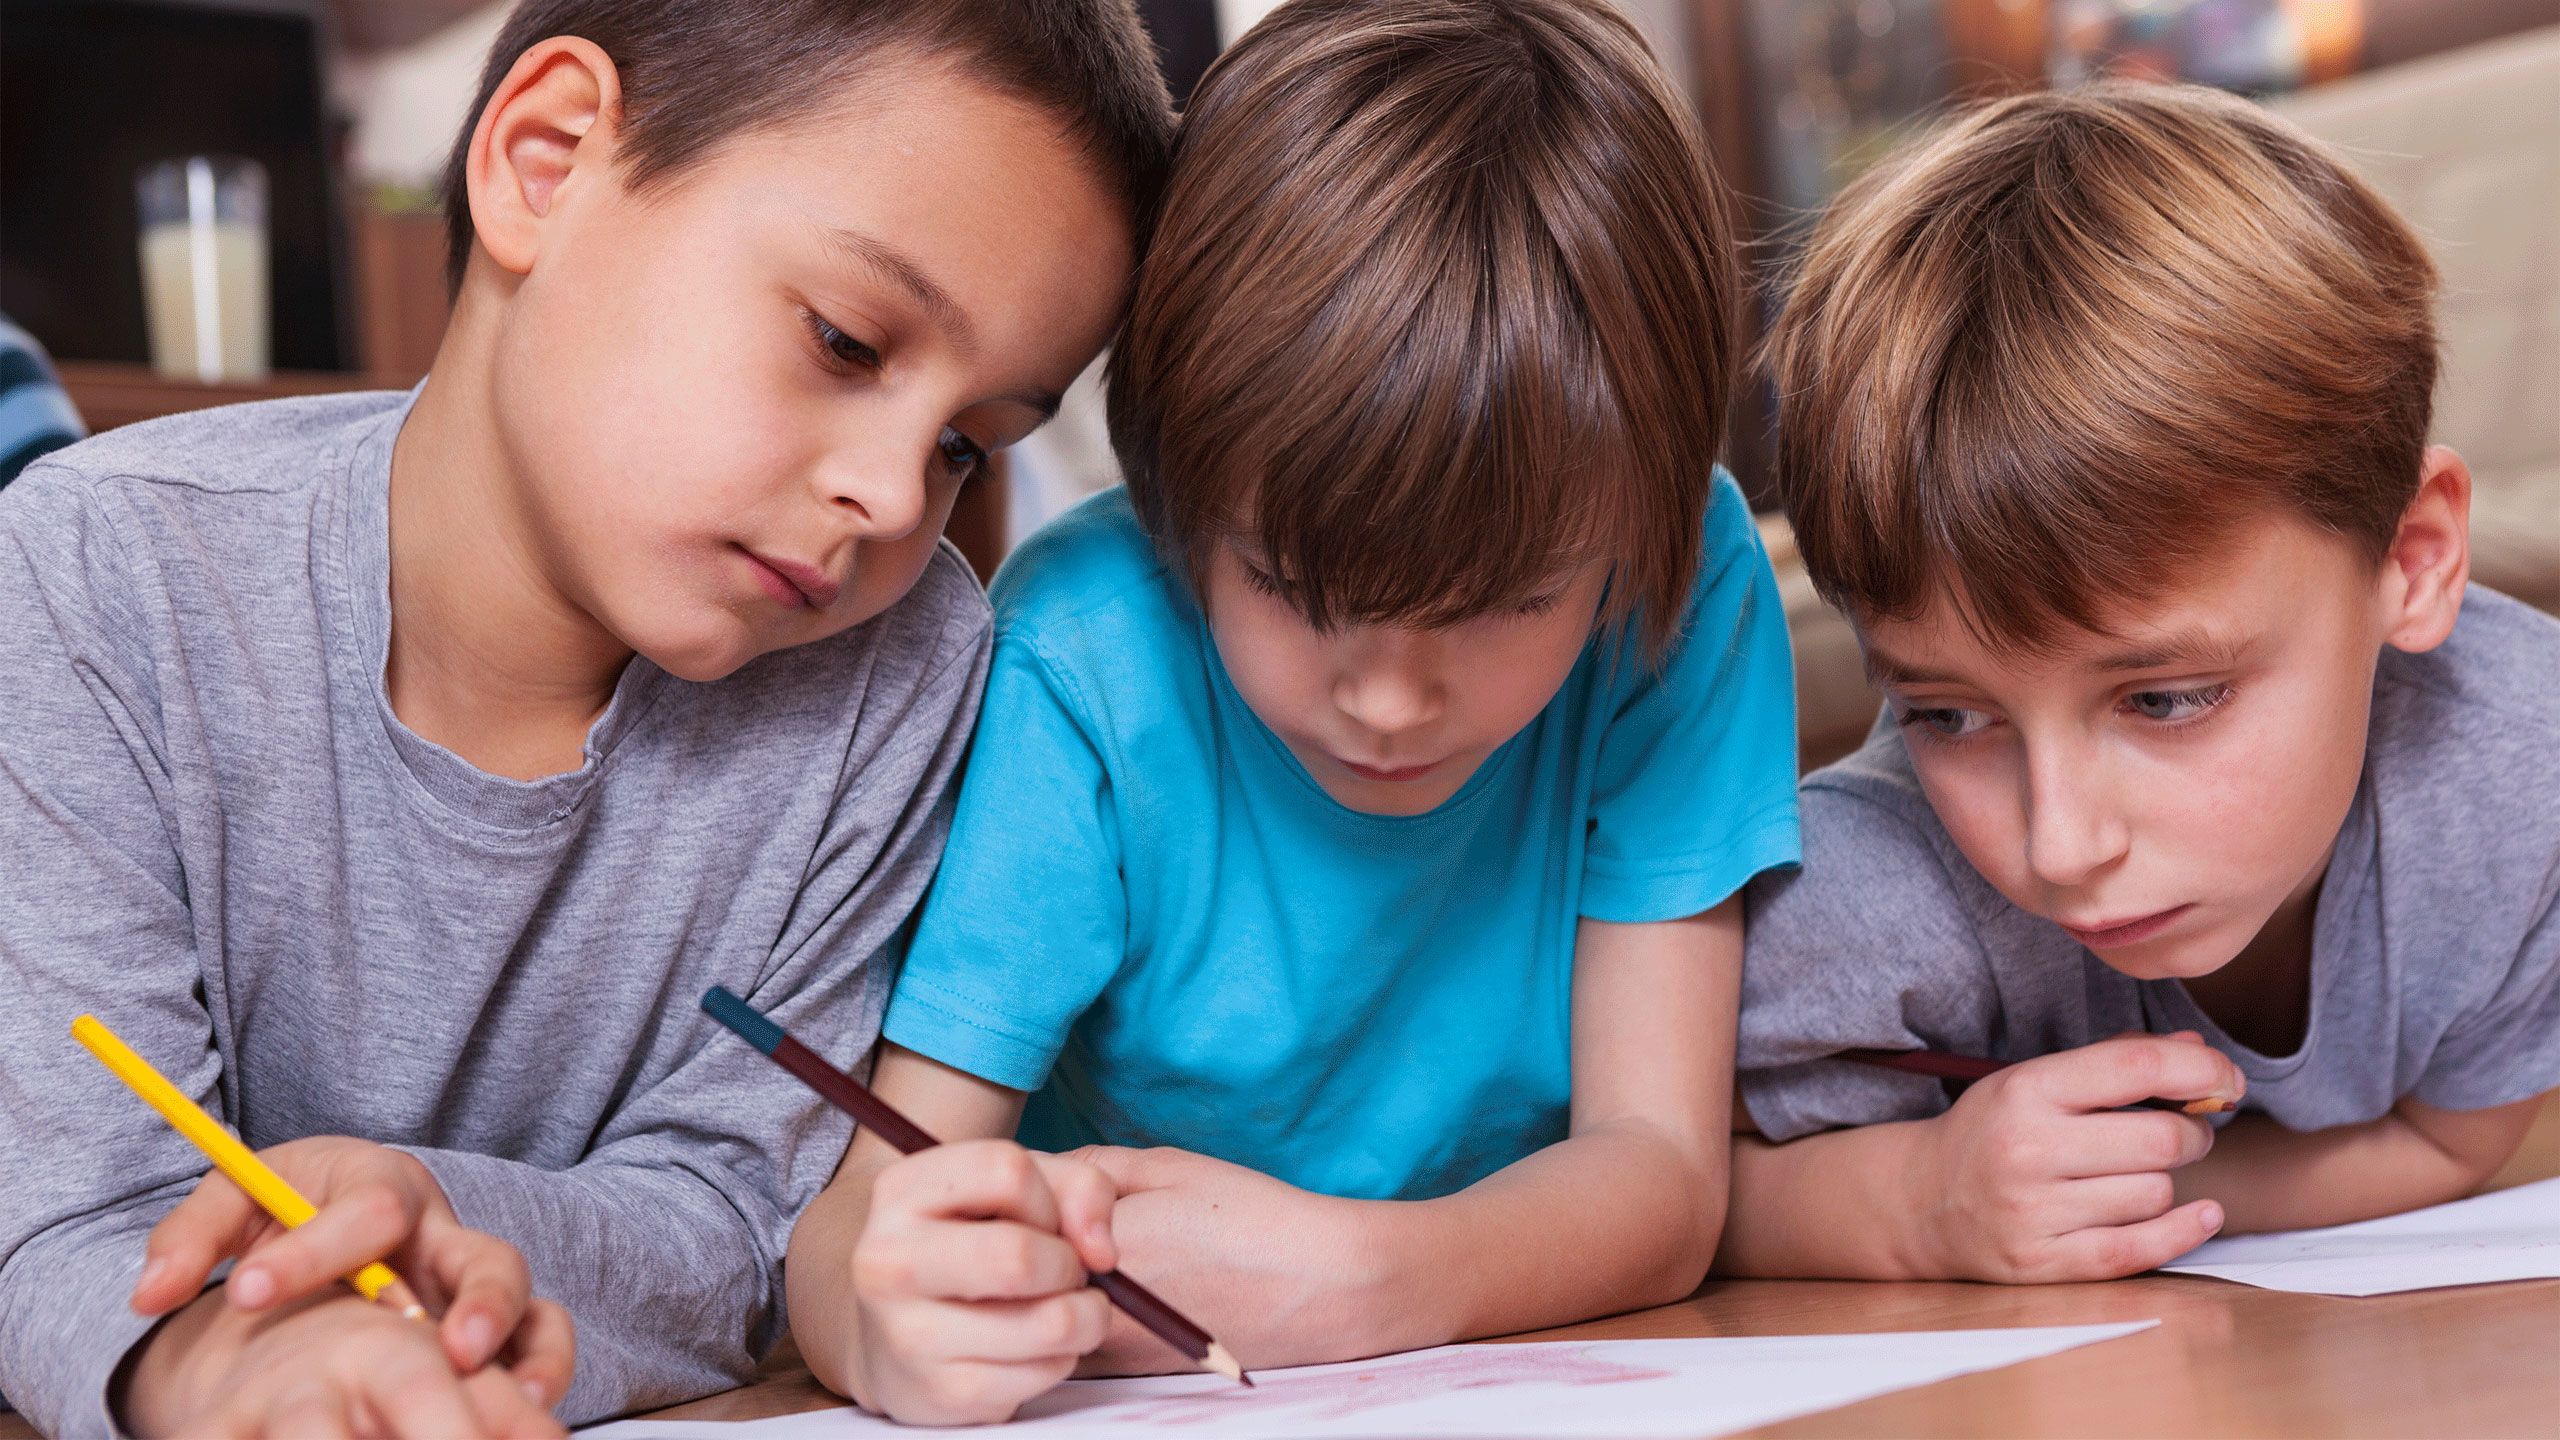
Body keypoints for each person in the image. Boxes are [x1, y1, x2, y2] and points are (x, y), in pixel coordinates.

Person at [0, 2, 1172, 1432]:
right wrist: (227, 1367)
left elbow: (743, 1220)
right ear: (545, 162)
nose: (894, 497)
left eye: (963, 444)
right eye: (847, 340)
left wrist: (436, 1214)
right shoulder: (95, 576)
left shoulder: (903, 666)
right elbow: (63, 1215)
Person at [787, 0, 1799, 1423]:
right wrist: (883, 1315)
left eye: (1504, 604)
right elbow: (873, 1206)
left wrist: (1375, 1278)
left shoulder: (1680, 579)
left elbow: (1665, 1173)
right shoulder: (1082, 656)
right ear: (1178, 495)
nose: (1388, 701)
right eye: (1292, 587)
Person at [1724, 83, 2560, 1284]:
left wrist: (2134, 1195)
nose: (2061, 846)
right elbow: (1658, 1187)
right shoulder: (1857, 900)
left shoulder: (2523, 783)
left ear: (2411, 558)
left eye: (2166, 698)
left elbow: (2445, 1138)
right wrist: (1911, 1200)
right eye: (1947, 715)